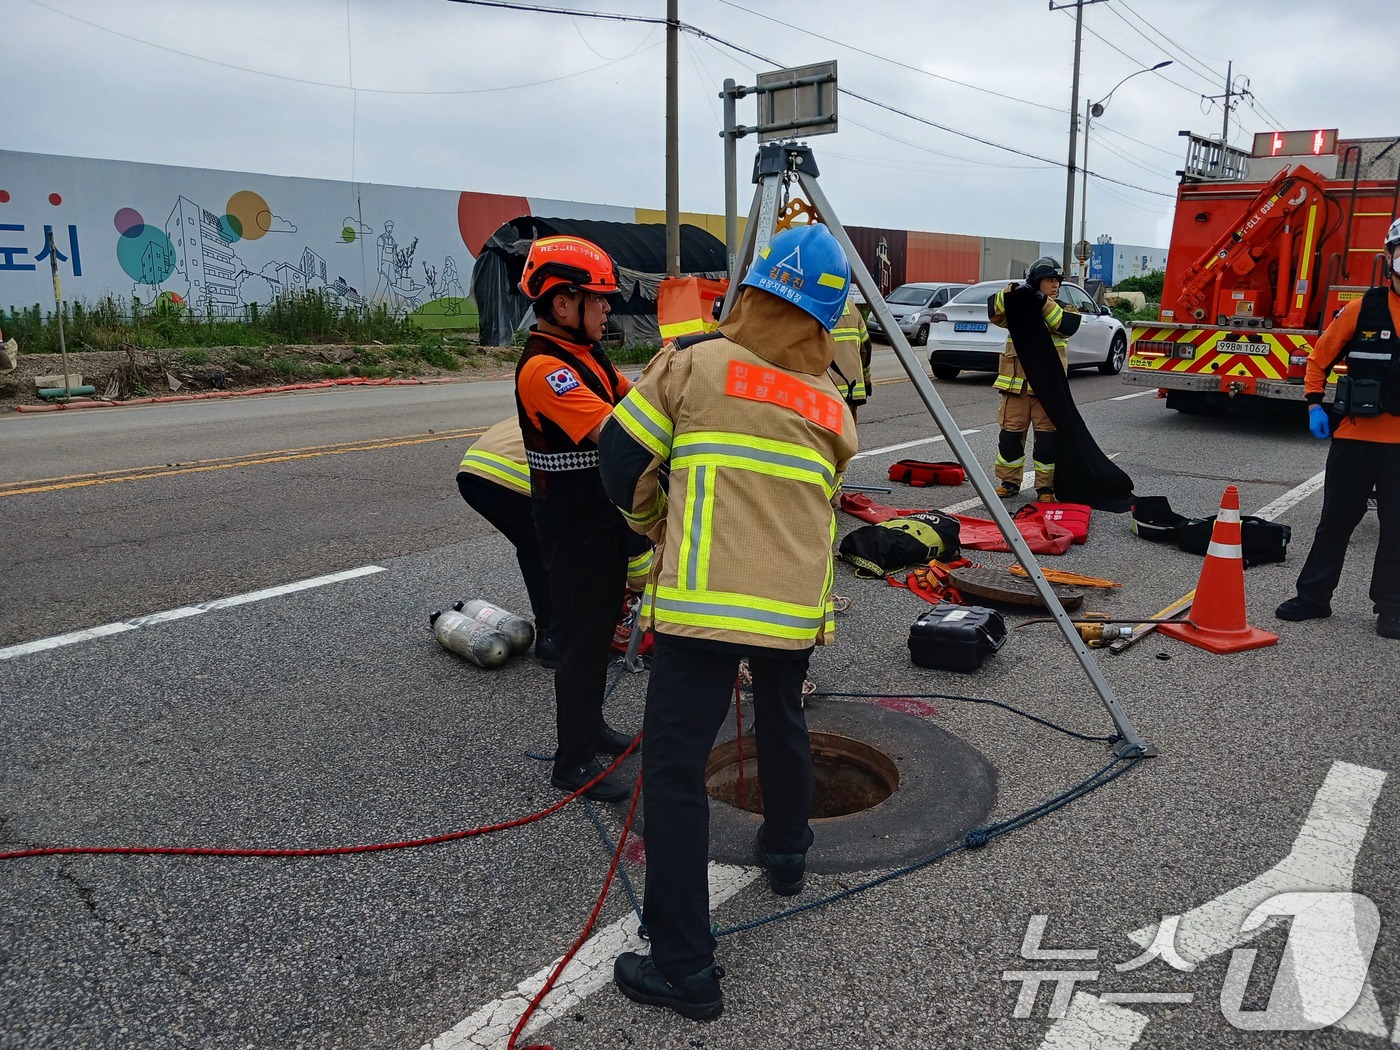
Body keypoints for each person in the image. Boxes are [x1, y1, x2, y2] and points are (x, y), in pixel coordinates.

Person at [599, 223, 859, 1021]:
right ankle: (786, 854)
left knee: (676, 773)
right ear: (823, 320)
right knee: (782, 724)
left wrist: (650, 528)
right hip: (787, 611)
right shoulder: (833, 407)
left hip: (701, 608)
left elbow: (618, 458)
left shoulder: (694, 367)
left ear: (751, 290)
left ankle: (684, 966)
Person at [514, 234, 637, 803]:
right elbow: (616, 433)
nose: (608, 308)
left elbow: (634, 400)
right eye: (599, 298)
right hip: (573, 528)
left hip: (602, 520)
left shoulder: (589, 355)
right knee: (584, 643)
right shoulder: (545, 369)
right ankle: (573, 761)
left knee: (600, 626)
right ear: (562, 303)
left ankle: (592, 729)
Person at [1275, 216, 1400, 640]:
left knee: (1397, 528)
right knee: (1335, 522)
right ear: (1389, 259)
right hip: (1355, 438)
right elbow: (1318, 358)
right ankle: (1313, 597)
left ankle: (1391, 608)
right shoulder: (1363, 308)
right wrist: (1314, 403)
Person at [456, 415, 559, 666]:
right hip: (515, 480)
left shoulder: (585, 402)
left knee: (533, 547)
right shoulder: (611, 419)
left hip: (472, 473)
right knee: (567, 553)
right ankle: (561, 639)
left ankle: (550, 637)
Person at [988, 257, 1081, 501]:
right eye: (1049, 280)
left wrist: (1041, 301)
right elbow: (994, 310)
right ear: (1035, 282)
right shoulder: (1018, 310)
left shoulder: (1061, 308)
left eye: (1057, 281)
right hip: (1015, 390)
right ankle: (1009, 482)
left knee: (1047, 442)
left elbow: (1065, 325)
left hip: (1047, 392)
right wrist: (1012, 291)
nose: (1055, 285)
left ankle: (1045, 488)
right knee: (1009, 439)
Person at [829, 290, 871, 418]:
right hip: (851, 387)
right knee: (849, 433)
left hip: (826, 387)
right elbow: (866, 348)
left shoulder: (812, 306)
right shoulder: (850, 306)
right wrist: (867, 380)